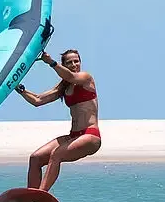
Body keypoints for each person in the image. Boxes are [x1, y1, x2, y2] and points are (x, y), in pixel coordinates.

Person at [15, 49, 101, 192]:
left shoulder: (86, 78)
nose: (74, 64)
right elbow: (38, 100)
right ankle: (29, 198)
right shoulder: (64, 86)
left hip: (90, 136)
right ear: (64, 65)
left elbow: (72, 77)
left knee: (57, 153)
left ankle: (40, 195)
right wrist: (19, 89)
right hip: (73, 136)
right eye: (69, 62)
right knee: (35, 158)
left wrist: (51, 62)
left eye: (76, 61)